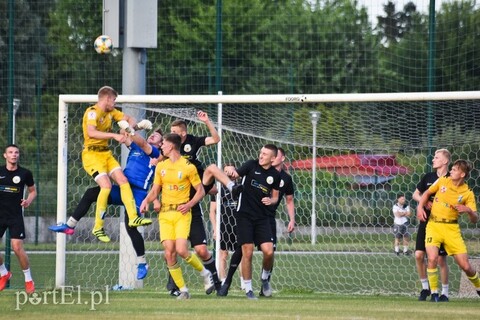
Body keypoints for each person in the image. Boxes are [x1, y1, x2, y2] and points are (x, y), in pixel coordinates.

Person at [49, 126, 162, 279]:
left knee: (131, 227)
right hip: (124, 188)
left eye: (156, 136)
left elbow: (142, 142)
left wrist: (153, 199)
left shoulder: (155, 153)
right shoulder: (135, 147)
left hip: (137, 193)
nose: (152, 136)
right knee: (91, 193)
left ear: (161, 144)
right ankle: (70, 225)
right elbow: (124, 134)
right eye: (152, 134)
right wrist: (134, 127)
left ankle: (142, 263)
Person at [139, 133, 213, 300]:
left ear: (171, 146)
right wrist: (146, 201)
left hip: (181, 214)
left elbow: (200, 191)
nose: (161, 147)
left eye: (163, 144)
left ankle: (205, 273)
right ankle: (183, 290)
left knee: (181, 250)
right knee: (169, 253)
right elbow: (155, 190)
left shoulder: (188, 166)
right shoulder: (161, 166)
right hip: (165, 214)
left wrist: (189, 204)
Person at [218, 147, 295, 297]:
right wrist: (230, 173)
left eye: (265, 154)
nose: (261, 155)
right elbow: (236, 175)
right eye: (260, 152)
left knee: (269, 251)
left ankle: (265, 278)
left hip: (263, 218)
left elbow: (275, 197)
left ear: (273, 159)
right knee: (247, 251)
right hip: (244, 216)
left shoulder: (276, 176)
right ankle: (248, 289)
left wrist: (271, 200)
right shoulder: (251, 165)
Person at [81, 86, 152, 242]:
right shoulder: (92, 112)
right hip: (92, 154)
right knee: (106, 186)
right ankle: (98, 227)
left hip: (106, 153)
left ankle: (134, 217)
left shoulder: (111, 112)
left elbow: (129, 120)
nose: (114, 103)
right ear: (107, 98)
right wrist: (114, 135)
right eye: (114, 100)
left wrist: (135, 126)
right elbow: (91, 132)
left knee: (123, 181)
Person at [167, 111, 223, 295]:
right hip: (178, 204)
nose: (171, 134)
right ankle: (175, 287)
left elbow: (216, 139)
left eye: (174, 131)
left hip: (196, 195)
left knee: (201, 250)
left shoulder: (193, 141)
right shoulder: (168, 152)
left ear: (182, 134)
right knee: (174, 248)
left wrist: (207, 121)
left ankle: (216, 280)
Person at [417, 159, 480, 301]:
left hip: (452, 229)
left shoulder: (467, 193)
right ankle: (434, 294)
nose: (450, 171)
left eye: (455, 169)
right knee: (432, 258)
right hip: (434, 225)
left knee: (465, 266)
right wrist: (420, 208)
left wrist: (469, 210)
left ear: (462, 174)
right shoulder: (442, 181)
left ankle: (478, 287)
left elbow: (475, 219)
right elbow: (426, 194)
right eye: (451, 169)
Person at [412, 148, 450, 301]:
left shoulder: (451, 178)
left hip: (442, 224)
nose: (433, 159)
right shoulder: (428, 176)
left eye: (436, 157)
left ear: (445, 161)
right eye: (433, 157)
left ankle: (445, 293)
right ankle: (425, 288)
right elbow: (415, 194)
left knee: (440, 260)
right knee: (419, 255)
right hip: (425, 221)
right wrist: (424, 201)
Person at [0, 144, 37, 294]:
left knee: (16, 247)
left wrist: (28, 201)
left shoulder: (25, 173)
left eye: (16, 152)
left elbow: (33, 191)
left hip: (15, 216)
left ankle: (28, 279)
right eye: (10, 152)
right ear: (5, 155)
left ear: (18, 155)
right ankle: (4, 273)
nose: (14, 155)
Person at [208, 166, 243, 285]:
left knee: (241, 253)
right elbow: (212, 210)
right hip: (224, 225)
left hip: (239, 225)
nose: (228, 173)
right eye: (225, 171)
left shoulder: (240, 187)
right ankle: (222, 281)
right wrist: (215, 228)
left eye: (230, 170)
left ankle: (244, 282)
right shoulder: (218, 189)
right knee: (223, 253)